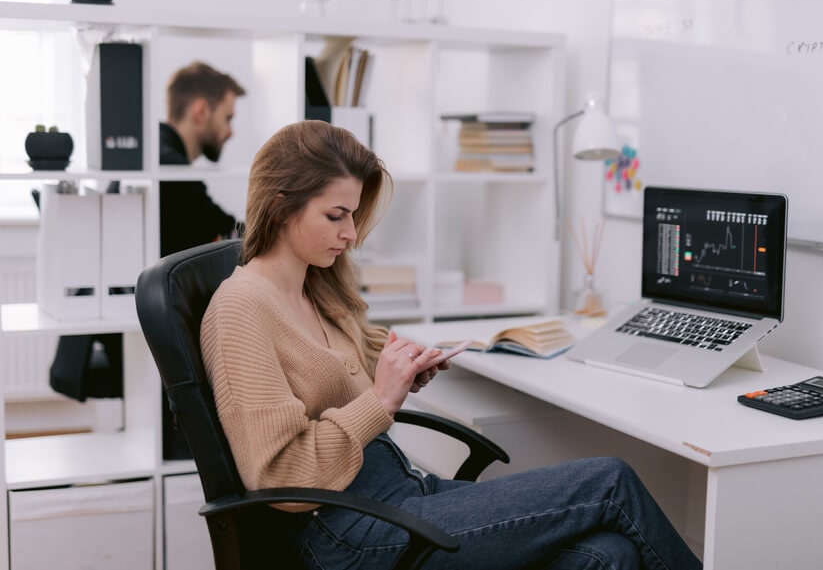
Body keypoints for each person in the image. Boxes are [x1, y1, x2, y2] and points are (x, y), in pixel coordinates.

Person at [200, 120, 702, 570]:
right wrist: (380, 401)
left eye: (352, 215)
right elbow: (281, 476)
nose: (351, 234)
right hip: (346, 531)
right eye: (336, 216)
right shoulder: (242, 308)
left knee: (608, 556)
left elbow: (341, 365)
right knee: (609, 481)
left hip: (398, 493)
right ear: (281, 205)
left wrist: (403, 365)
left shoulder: (312, 286)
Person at [159, 61, 247, 257]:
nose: (231, 132)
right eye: (227, 118)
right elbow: (222, 231)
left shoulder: (153, 152)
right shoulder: (171, 171)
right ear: (202, 111)